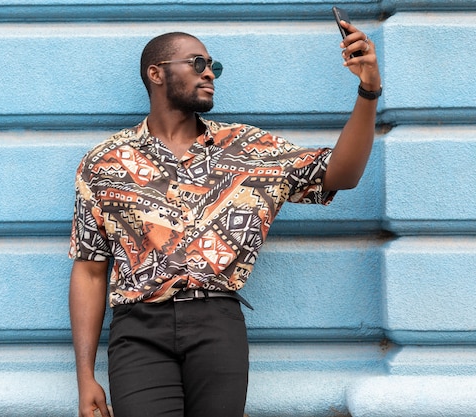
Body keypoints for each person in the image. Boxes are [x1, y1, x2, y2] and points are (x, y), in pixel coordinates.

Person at [69, 21, 381, 417]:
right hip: (138, 328)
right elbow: (90, 271)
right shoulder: (103, 162)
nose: (209, 73)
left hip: (216, 322)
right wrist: (84, 375)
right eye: (197, 63)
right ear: (156, 73)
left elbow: (342, 174)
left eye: (213, 65)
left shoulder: (250, 149)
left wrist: (368, 91)